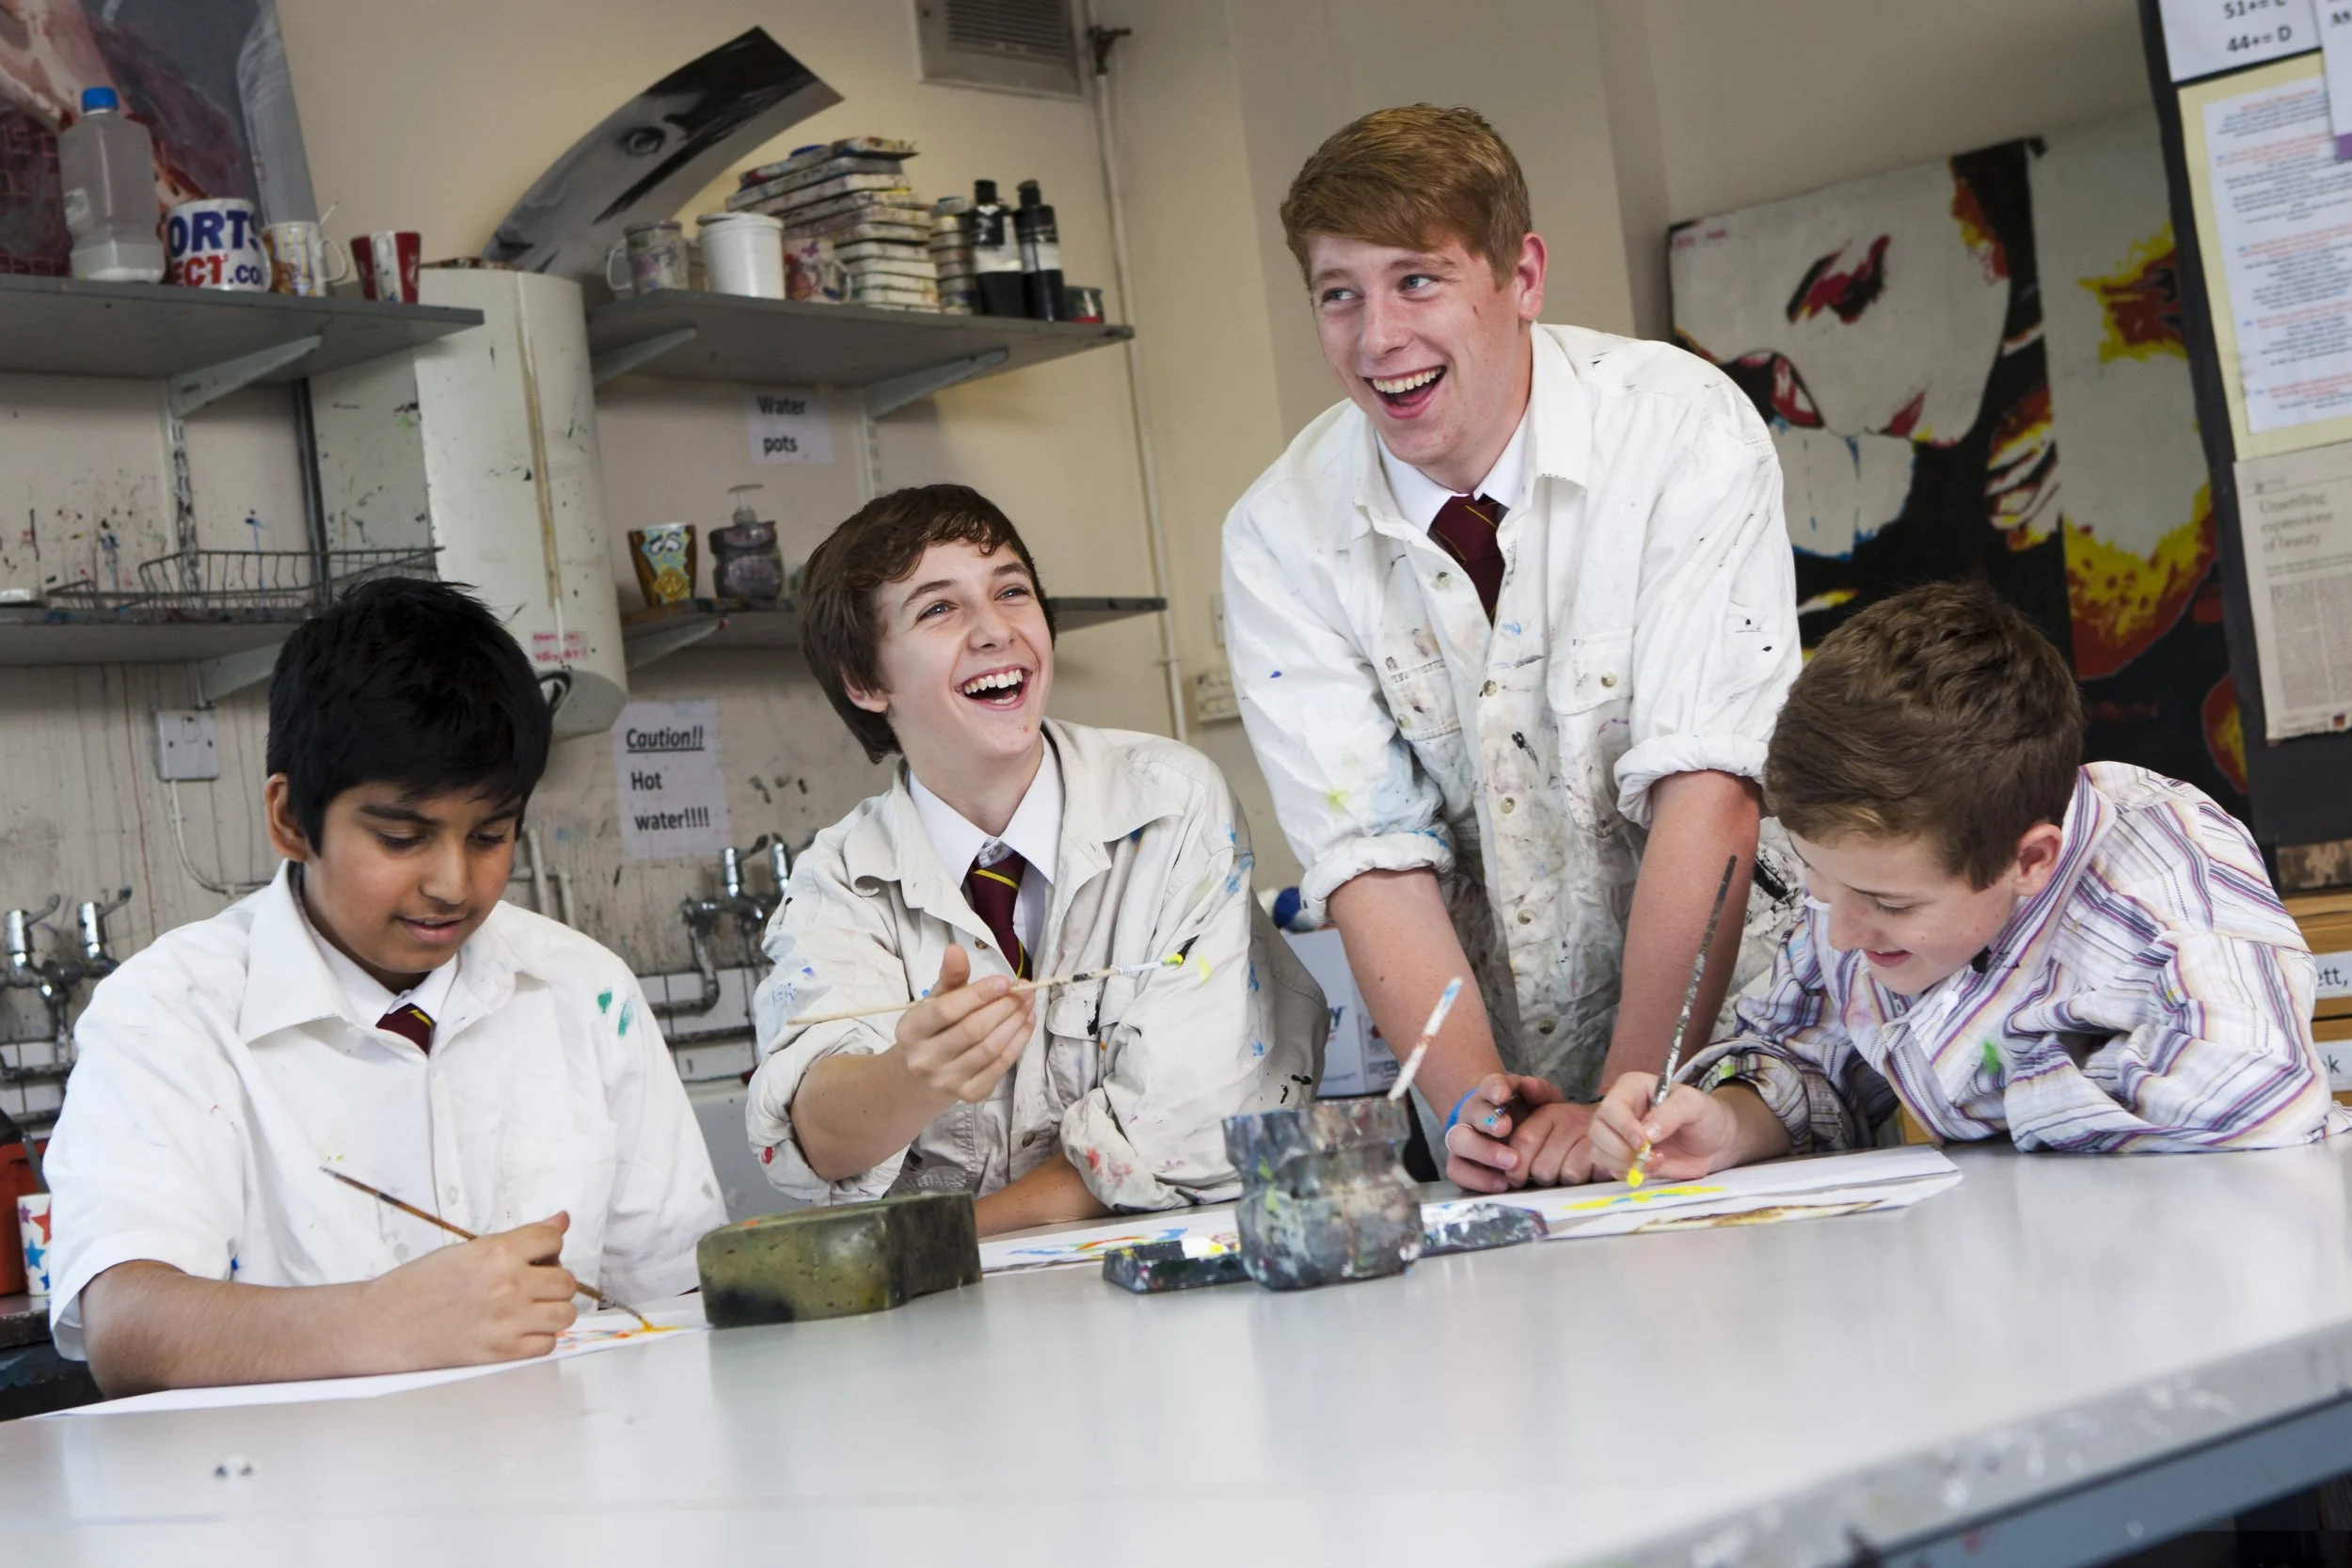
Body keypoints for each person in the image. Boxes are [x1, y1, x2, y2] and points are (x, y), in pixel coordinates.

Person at [1221, 104, 1802, 1192]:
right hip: (1501, 1089)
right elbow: (1372, 861)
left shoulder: (1680, 430)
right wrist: (1475, 1110)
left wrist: (1626, 1103)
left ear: (1521, 275)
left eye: (1417, 280)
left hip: (1739, 1065)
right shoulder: (1279, 535)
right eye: (1338, 293)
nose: (1377, 338)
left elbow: (1709, 790)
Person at [43, 579, 725, 1396]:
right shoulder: (170, 1011)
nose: (453, 884)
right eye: (402, 837)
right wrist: (385, 1319)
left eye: (490, 835)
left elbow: (675, 1295)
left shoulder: (584, 991)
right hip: (292, 1476)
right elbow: (128, 1327)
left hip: (572, 1458)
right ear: (291, 819)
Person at [1589, 583, 2348, 1178]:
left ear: (2030, 862)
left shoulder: (2164, 868)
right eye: (1818, 879)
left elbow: (2257, 1089)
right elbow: (1809, 1057)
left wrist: (1987, 1082)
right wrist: (1728, 1122)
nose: (1843, 933)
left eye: (1889, 903)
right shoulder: (1866, 881)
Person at [748, 484, 1326, 1236]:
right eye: (939, 607)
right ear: (865, 681)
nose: (996, 630)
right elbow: (817, 1131)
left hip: (1178, 1273)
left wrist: (947, 1239)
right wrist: (911, 1076)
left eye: (1011, 590)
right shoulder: (839, 878)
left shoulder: (1172, 804)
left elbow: (1189, 1122)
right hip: (952, 1306)